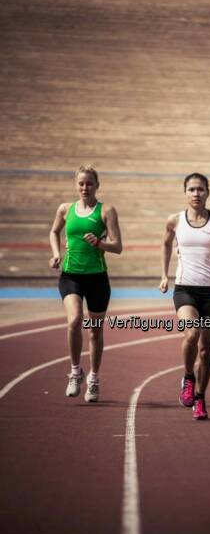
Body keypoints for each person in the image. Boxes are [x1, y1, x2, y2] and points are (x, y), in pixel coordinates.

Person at [159, 172, 210, 420]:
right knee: (191, 333)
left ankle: (201, 398)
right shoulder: (174, 220)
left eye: (200, 189)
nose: (196, 194)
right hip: (184, 289)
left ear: (207, 192)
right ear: (185, 192)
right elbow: (165, 244)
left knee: (206, 351)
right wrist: (164, 275)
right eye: (192, 189)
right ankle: (188, 377)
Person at [49, 165, 122, 402]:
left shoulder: (106, 211)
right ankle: (74, 372)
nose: (84, 188)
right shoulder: (65, 209)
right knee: (74, 320)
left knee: (95, 331)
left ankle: (94, 378)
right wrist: (56, 253)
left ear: (97, 185)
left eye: (89, 183)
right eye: (81, 183)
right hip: (71, 275)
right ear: (75, 185)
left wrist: (100, 244)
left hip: (97, 277)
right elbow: (54, 232)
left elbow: (118, 246)